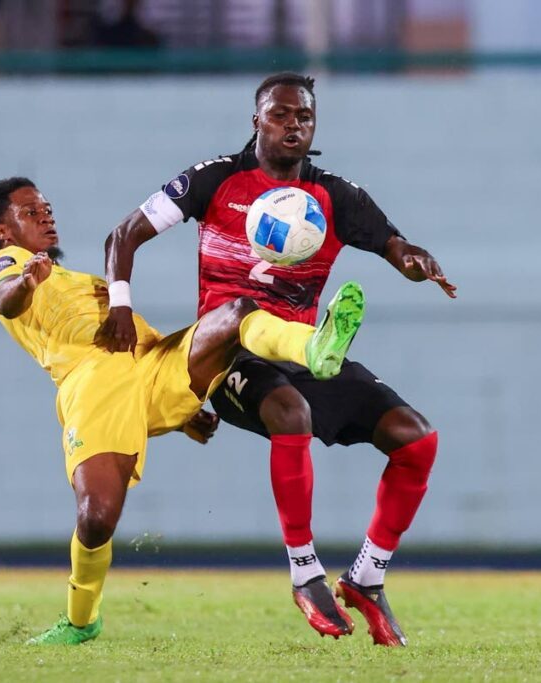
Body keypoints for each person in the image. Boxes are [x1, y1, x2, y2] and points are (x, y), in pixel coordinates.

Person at [101, 73, 457, 647]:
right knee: (291, 412)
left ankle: (367, 577)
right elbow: (123, 235)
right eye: (281, 114)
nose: (294, 125)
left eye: (305, 117)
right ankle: (303, 572)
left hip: (299, 355)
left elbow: (396, 249)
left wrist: (415, 260)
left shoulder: (335, 195)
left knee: (417, 439)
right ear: (256, 121)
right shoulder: (214, 178)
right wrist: (120, 303)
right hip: (228, 355)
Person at [0, 176, 366, 645]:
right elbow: (4, 299)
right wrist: (24, 279)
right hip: (95, 384)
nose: (46, 216)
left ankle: (313, 345)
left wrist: (180, 415)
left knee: (236, 313)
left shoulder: (78, 281)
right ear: (2, 230)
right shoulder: (10, 262)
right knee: (97, 516)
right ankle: (81, 621)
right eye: (30, 211)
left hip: (153, 363)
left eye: (47, 207)